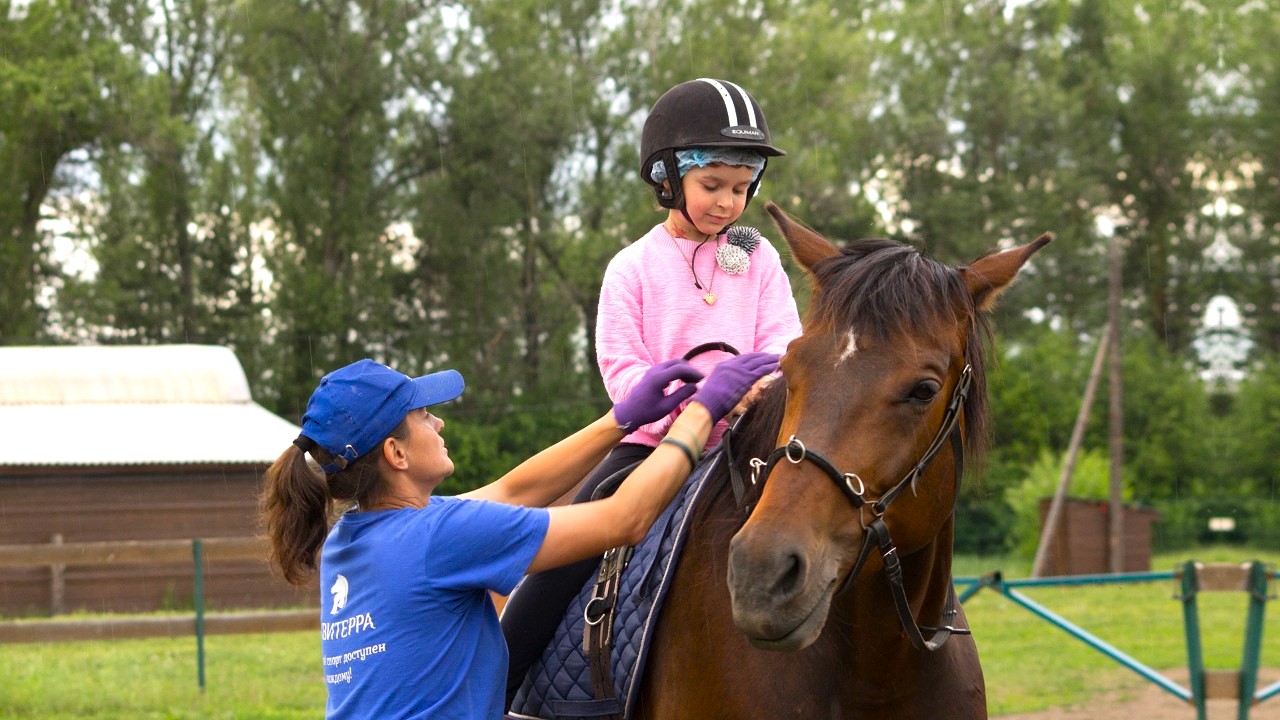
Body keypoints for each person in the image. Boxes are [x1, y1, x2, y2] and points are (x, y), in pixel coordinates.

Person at [260, 351, 779, 719]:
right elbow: (625, 517)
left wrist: (618, 420)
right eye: (423, 416)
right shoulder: (441, 536)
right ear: (395, 455)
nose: (438, 424)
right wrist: (700, 412)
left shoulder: (353, 539)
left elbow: (513, 489)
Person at [501, 77, 803, 703]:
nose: (728, 203)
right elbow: (623, 372)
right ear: (669, 179)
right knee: (553, 573)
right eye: (712, 186)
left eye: (741, 189)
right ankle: (495, 681)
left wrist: (757, 391)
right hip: (648, 446)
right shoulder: (632, 268)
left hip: (751, 440)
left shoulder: (762, 259)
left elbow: (784, 347)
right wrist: (700, 404)